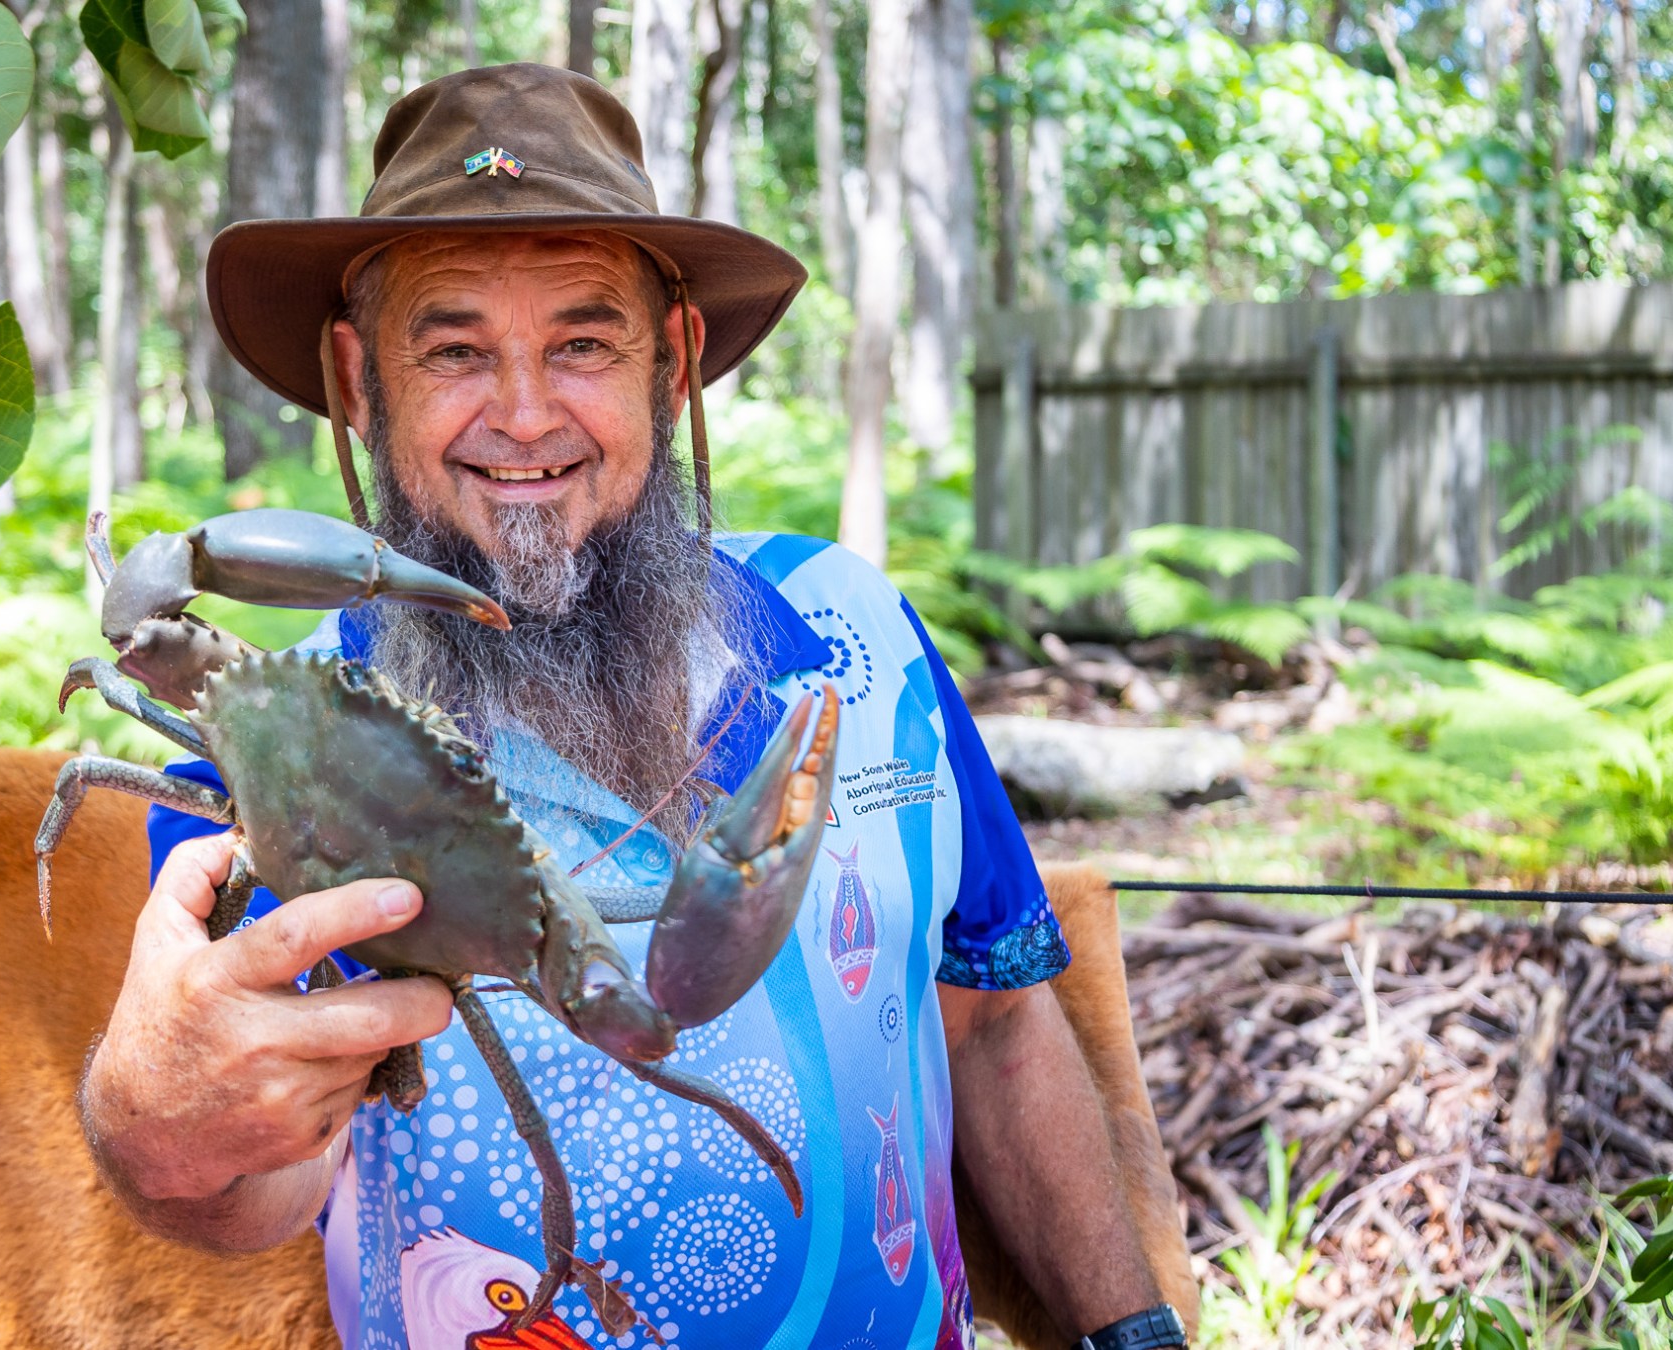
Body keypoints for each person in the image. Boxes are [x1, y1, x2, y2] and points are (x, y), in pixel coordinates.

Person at [83, 63, 1185, 1350]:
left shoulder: (857, 634)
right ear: (355, 376)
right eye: (452, 350)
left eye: (583, 342)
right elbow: (260, 1183)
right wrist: (149, 1132)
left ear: (674, 359)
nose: (527, 416)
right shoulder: (275, 739)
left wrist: (1132, 1331)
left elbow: (994, 1019)